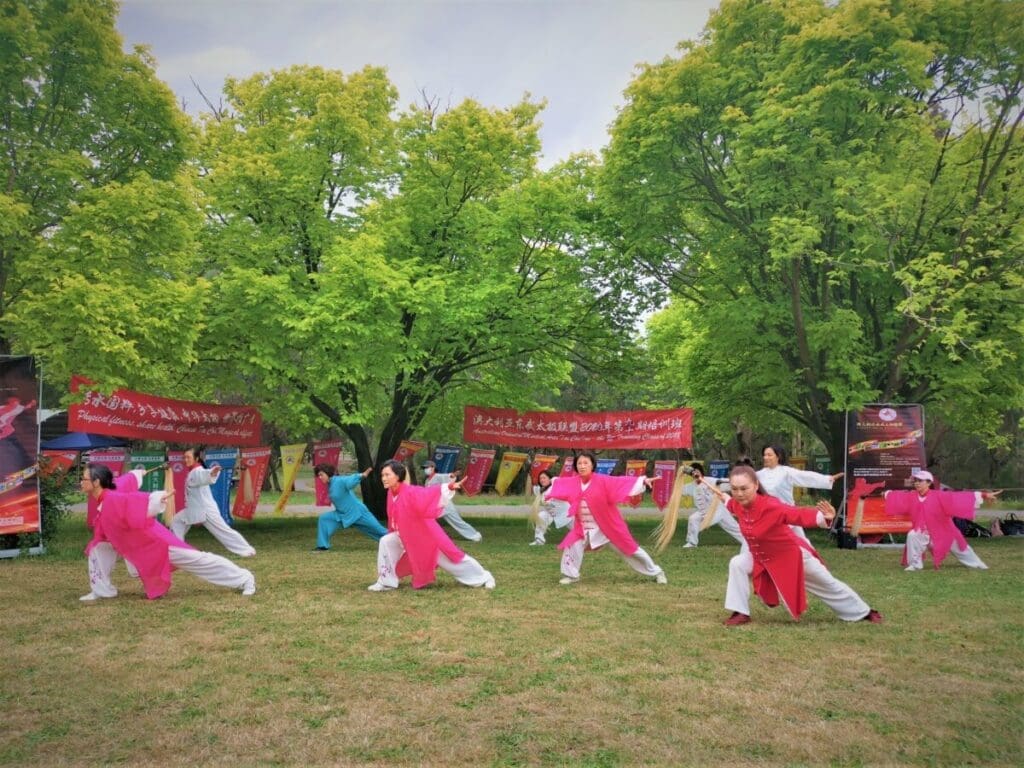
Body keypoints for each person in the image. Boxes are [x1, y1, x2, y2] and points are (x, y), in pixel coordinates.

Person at [703, 465, 882, 626]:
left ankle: (863, 612)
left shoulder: (772, 506)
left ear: (756, 486)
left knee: (827, 583)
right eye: (735, 489)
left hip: (790, 556)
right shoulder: (738, 504)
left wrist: (824, 517)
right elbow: (730, 503)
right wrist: (722, 495)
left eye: (744, 488)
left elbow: (797, 514)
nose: (739, 493)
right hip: (762, 557)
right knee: (738, 563)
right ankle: (740, 612)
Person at [80, 463, 255, 601]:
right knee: (99, 547)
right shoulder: (111, 489)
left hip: (154, 541)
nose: (81, 482)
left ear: (96, 482)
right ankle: (102, 590)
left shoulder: (113, 498)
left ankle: (244, 578)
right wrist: (137, 474)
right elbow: (127, 480)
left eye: (84, 479)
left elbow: (133, 501)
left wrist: (155, 499)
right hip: (132, 541)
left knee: (198, 560)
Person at [367, 460, 495, 591]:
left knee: (454, 560)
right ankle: (386, 581)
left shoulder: (410, 492)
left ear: (398, 476)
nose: (384, 478)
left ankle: (484, 577)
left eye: (387, 475)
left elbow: (428, 494)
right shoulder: (391, 493)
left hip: (426, 536)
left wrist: (449, 487)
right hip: (405, 535)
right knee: (386, 541)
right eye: (382, 475)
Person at [544, 451, 667, 585]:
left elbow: (621, 482)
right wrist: (548, 488)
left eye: (586, 463)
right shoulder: (572, 482)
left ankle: (657, 572)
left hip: (609, 526)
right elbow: (558, 486)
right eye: (579, 463)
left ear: (592, 465)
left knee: (631, 550)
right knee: (573, 544)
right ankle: (572, 575)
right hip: (583, 527)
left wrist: (643, 480)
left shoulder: (603, 480)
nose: (582, 466)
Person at [885, 470, 998, 571]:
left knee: (962, 548)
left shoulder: (939, 496)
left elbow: (959, 497)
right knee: (912, 535)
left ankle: (976, 564)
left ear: (929, 483)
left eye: (920, 480)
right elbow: (897, 497)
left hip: (944, 531)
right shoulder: (912, 496)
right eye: (916, 480)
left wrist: (984, 494)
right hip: (924, 532)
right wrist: (886, 494)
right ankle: (915, 565)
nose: (917, 483)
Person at [170, 446, 256, 557]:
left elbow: (204, 475)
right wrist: (210, 473)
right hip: (194, 509)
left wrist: (212, 473)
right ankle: (178, 549)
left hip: (205, 510)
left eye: (188, 457)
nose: (185, 460)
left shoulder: (197, 471)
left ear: (196, 459)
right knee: (177, 521)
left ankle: (246, 550)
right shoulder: (193, 471)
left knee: (223, 531)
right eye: (184, 457)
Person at [758, 444, 843, 541]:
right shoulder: (758, 475)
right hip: (769, 517)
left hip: (789, 514)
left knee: (803, 545)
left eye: (769, 455)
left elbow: (805, 476)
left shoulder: (786, 472)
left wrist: (827, 479)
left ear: (778, 456)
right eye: (764, 455)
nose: (766, 457)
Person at [313, 464, 387, 550]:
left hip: (358, 513)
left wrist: (360, 475)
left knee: (379, 530)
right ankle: (322, 546)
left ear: (328, 473)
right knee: (324, 519)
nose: (320, 477)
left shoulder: (339, 481)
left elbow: (349, 480)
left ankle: (398, 541)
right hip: (341, 515)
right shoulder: (330, 484)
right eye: (319, 475)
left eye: (321, 474)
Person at [680, 463, 744, 548]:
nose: (696, 473)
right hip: (703, 512)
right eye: (693, 472)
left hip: (718, 510)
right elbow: (681, 490)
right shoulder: (691, 486)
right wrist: (681, 474)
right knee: (693, 519)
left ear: (701, 472)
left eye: (697, 471)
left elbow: (721, 482)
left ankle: (748, 541)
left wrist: (736, 481)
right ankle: (692, 543)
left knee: (734, 527)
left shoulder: (709, 480)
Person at [422, 459, 482, 542]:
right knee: (426, 518)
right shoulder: (427, 481)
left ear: (433, 468)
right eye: (424, 468)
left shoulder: (439, 476)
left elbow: (449, 477)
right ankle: (433, 535)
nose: (425, 469)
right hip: (435, 505)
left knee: (457, 522)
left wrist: (455, 474)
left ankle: (475, 535)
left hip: (446, 505)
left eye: (427, 467)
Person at [529, 469, 571, 545]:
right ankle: (539, 540)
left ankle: (589, 540)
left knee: (578, 530)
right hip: (551, 514)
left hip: (566, 513)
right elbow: (532, 486)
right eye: (540, 478)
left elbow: (558, 480)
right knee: (541, 516)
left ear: (549, 478)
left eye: (544, 478)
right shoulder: (540, 491)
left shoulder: (555, 484)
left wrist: (553, 480)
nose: (542, 480)